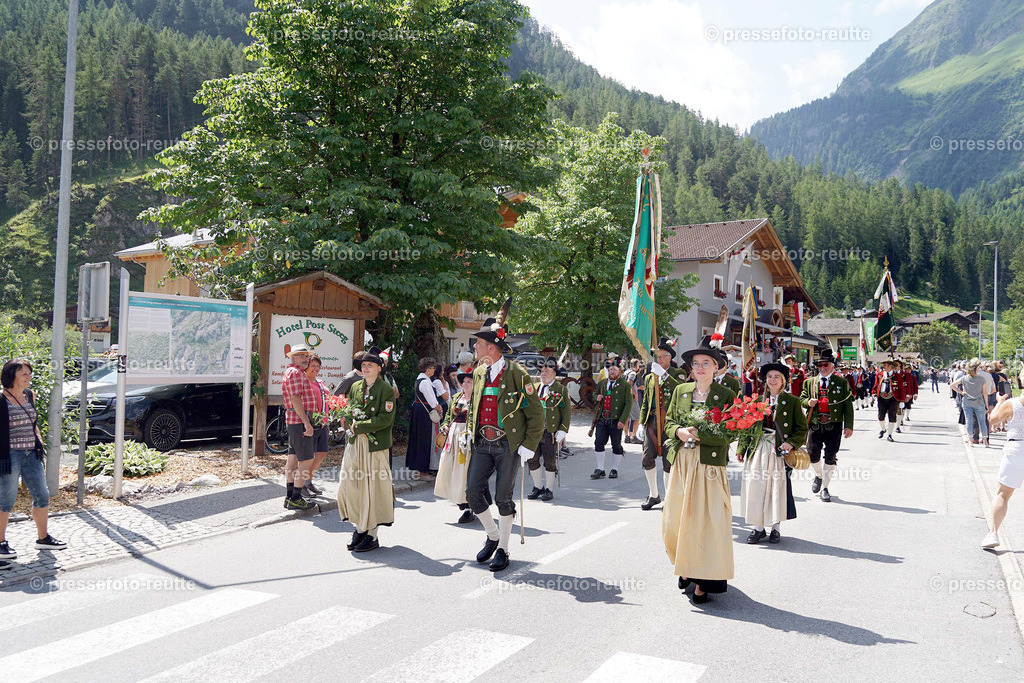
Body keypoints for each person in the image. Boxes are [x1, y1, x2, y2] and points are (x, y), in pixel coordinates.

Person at [464, 301, 544, 572]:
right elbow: (474, 407)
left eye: (478, 343)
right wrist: (469, 432)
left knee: (502, 499)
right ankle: (493, 535)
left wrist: (529, 446)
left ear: (491, 347)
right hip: (482, 443)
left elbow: (536, 414)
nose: (475, 347)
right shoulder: (478, 372)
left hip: (508, 445)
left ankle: (504, 550)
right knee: (473, 493)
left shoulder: (517, 373)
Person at [662, 336, 737, 605]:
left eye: (706, 363)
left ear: (717, 367)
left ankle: (705, 580)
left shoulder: (726, 395)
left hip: (709, 466)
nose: (701, 368)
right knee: (677, 518)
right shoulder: (681, 390)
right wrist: (679, 432)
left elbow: (730, 432)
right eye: (696, 363)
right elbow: (669, 422)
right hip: (683, 463)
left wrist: (700, 435)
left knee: (707, 522)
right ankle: (685, 566)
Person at [0, 359, 67, 570]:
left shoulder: (30, 395)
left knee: (42, 495)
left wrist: (38, 438)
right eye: (24, 374)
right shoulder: (1, 399)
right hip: (10, 455)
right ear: (12, 376)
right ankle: (0, 543)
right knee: (6, 500)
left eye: (29, 373)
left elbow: (33, 422)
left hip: (32, 453)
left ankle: (43, 538)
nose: (29, 377)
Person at [740, 362, 807, 544]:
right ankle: (758, 528)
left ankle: (775, 528)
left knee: (776, 489)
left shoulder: (792, 401)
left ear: (783, 380)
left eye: (777, 376)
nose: (772, 380)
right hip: (759, 448)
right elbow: (747, 426)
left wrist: (790, 443)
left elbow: (802, 428)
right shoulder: (757, 401)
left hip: (779, 451)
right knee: (757, 487)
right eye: (769, 376)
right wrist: (741, 449)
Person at [337, 349, 397, 552]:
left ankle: (372, 534)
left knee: (373, 488)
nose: (365, 368)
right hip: (355, 442)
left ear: (379, 368)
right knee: (352, 484)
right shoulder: (355, 386)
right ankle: (359, 528)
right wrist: (349, 423)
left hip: (375, 445)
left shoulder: (385, 389)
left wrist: (361, 426)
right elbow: (349, 409)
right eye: (363, 365)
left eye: (370, 365)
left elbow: (385, 419)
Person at [435, 371, 491, 523]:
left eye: (469, 382)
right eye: (464, 381)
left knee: (467, 472)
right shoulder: (456, 398)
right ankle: (461, 503)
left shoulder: (479, 400)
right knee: (452, 469)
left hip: (469, 438)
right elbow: (448, 417)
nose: (465, 384)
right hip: (454, 438)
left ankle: (469, 507)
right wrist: (445, 426)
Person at [800, 349, 854, 502]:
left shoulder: (842, 382)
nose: (822, 367)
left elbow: (848, 406)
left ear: (832, 366)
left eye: (826, 364)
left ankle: (825, 488)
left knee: (831, 456)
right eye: (820, 365)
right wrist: (808, 402)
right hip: (815, 424)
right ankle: (819, 475)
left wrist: (849, 425)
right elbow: (801, 398)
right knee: (812, 454)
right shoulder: (809, 382)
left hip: (834, 424)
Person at [638, 339, 687, 510]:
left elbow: (681, 390)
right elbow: (646, 401)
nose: (658, 360)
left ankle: (669, 499)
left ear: (669, 357)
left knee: (668, 462)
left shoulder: (678, 373)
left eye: (661, 357)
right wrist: (641, 423)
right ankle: (654, 495)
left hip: (670, 422)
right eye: (656, 357)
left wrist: (664, 376)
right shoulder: (650, 377)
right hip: (652, 421)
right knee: (647, 459)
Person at [525, 360, 570, 502]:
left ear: (554, 374)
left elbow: (566, 412)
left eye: (547, 372)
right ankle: (538, 487)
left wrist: (563, 430)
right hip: (533, 431)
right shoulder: (534, 387)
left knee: (549, 461)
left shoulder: (561, 389)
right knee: (532, 459)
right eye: (542, 371)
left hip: (549, 432)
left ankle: (549, 489)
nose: (543, 374)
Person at [280, 344, 318, 510]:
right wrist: (306, 422)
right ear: (293, 357)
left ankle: (290, 497)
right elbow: (295, 399)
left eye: (306, 356)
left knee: (293, 458)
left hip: (295, 421)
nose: (305, 358)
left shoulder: (294, 372)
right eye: (301, 355)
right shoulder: (295, 372)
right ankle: (296, 497)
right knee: (307, 459)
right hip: (299, 422)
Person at [984, 393, 1023, 548]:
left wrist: (1000, 402)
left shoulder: (1012, 404)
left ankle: (993, 533)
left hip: (1016, 450)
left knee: (1002, 495)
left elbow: (993, 420)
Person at [590, 360, 632, 480]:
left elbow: (628, 404)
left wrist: (622, 420)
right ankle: (600, 468)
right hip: (602, 418)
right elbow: (594, 396)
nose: (611, 371)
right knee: (598, 442)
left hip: (615, 419)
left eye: (614, 369)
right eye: (610, 369)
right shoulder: (602, 383)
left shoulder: (625, 385)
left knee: (616, 444)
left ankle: (614, 469)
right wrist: (596, 398)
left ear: (620, 371)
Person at [407, 357, 442, 479]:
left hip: (419, 412)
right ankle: (423, 471)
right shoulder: (426, 382)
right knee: (425, 440)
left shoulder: (419, 379)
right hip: (425, 413)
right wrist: (439, 409)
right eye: (432, 368)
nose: (434, 370)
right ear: (428, 370)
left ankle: (419, 469)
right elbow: (432, 401)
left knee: (419, 439)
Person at [302, 355, 330, 497]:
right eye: (313, 365)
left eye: (318, 366)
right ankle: (301, 485)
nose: (316, 368)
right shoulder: (303, 382)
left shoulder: (320, 382)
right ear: (306, 366)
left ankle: (309, 481)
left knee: (321, 453)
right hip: (310, 423)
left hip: (323, 423)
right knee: (307, 456)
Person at [952, 360, 992, 446]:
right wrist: (986, 405)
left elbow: (952, 385)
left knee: (969, 421)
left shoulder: (964, 378)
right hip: (979, 402)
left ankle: (970, 440)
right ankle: (985, 440)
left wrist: (961, 392)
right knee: (982, 422)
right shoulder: (982, 379)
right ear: (976, 369)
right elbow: (985, 393)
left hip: (967, 402)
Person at [873, 359, 900, 442]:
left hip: (893, 398)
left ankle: (889, 434)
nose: (883, 366)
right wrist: (874, 393)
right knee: (880, 416)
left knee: (892, 417)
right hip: (881, 398)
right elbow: (876, 385)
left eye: (885, 365)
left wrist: (902, 400)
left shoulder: (897, 376)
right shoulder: (879, 375)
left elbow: (901, 388)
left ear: (890, 366)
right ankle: (883, 429)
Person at [624, 359, 643, 444]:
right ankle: (633, 436)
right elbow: (629, 383)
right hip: (631, 397)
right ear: (636, 365)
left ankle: (626, 436)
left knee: (626, 417)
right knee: (637, 417)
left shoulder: (626, 372)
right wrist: (635, 394)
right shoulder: (632, 373)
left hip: (624, 396)